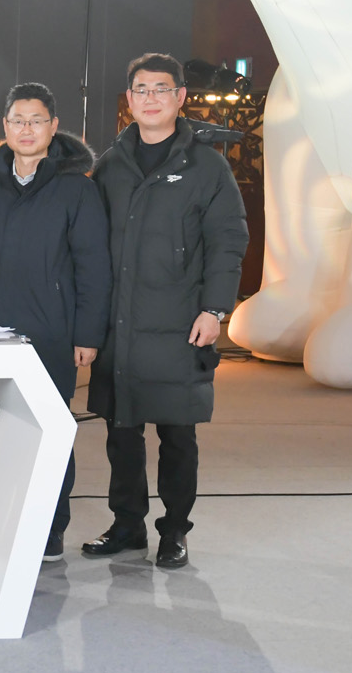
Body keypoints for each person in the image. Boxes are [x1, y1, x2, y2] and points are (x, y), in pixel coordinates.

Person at [83, 53, 248, 569]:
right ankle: (127, 523)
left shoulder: (206, 166)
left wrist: (215, 309)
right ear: (129, 99)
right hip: (121, 323)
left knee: (178, 433)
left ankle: (174, 530)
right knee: (121, 431)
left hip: (180, 322)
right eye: (141, 89)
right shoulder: (111, 164)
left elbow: (228, 240)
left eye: (161, 89)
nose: (150, 98)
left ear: (180, 97)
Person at [0, 82, 111, 562]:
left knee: (50, 432)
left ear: (54, 126)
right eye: (18, 120)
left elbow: (94, 267)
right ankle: (11, 521)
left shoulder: (77, 188)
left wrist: (88, 334)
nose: (27, 129)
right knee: (5, 430)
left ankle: (51, 528)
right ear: (5, 127)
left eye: (36, 120)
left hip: (52, 332)